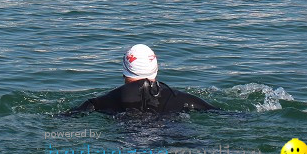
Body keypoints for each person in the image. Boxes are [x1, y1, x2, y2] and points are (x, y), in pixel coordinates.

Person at [71, 44, 216, 115]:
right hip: (171, 134)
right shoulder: (185, 99)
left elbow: (64, 119)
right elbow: (224, 115)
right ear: (156, 69)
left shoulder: (100, 102)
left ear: (124, 72)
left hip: (127, 140)